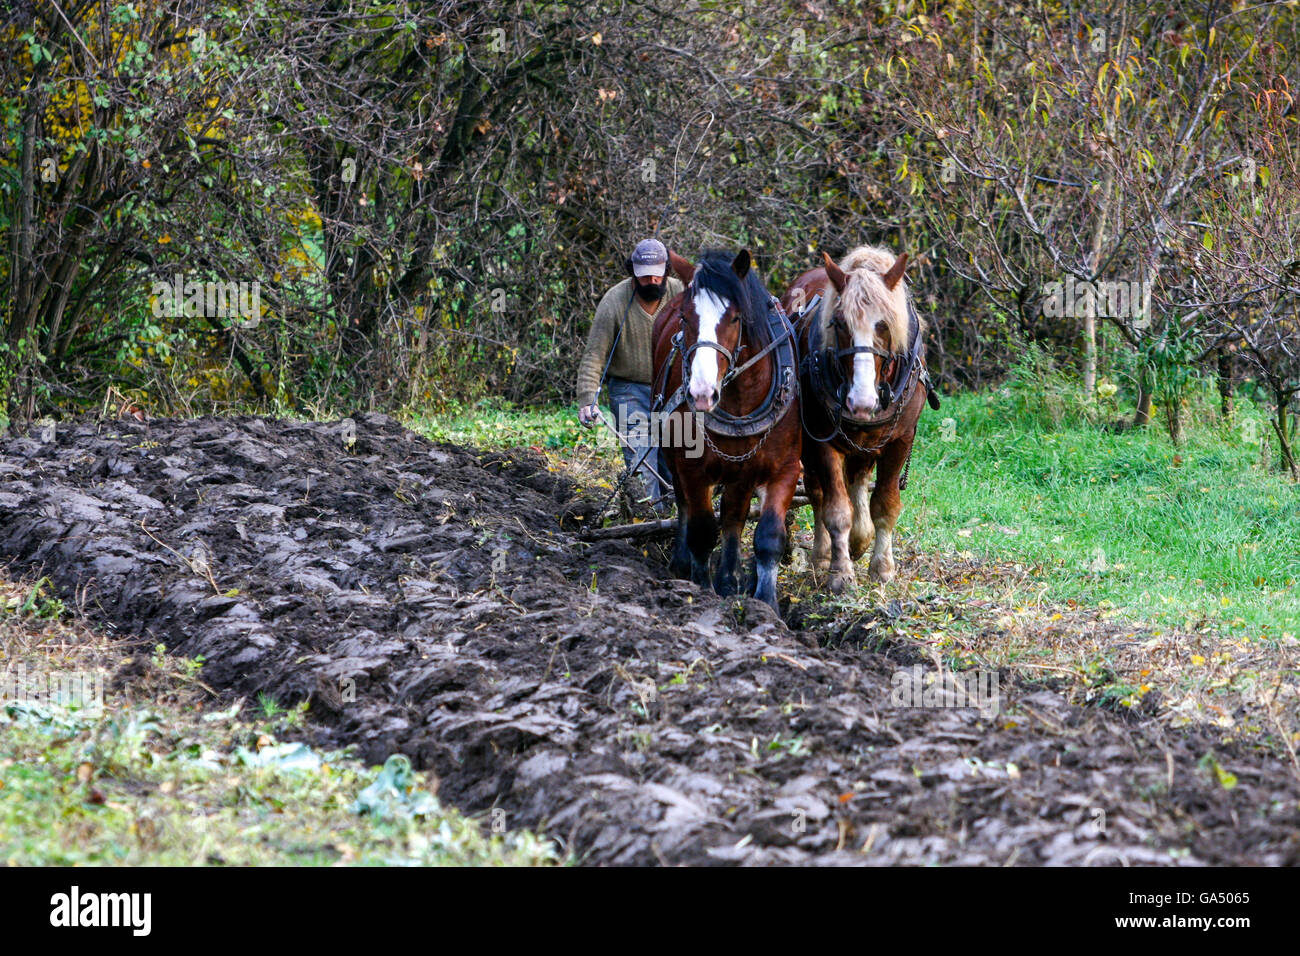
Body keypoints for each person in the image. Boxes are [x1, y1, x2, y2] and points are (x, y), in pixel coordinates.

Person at [576, 238, 684, 511]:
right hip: (628, 389)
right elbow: (594, 354)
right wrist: (587, 398)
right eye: (643, 277)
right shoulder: (614, 300)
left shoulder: (681, 294)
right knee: (641, 462)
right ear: (632, 274)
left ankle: (679, 521)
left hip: (672, 390)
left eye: (656, 276)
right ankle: (649, 521)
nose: (650, 281)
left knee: (679, 461)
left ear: (666, 273)